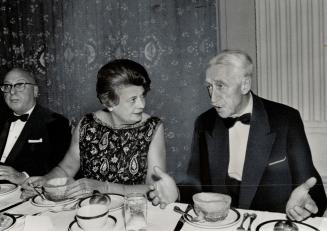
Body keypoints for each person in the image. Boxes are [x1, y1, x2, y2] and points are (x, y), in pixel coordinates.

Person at [149, 50, 327, 221]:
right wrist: (178, 193)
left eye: (220, 86)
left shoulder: (285, 119)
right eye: (209, 87)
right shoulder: (204, 122)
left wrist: (305, 205)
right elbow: (196, 184)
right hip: (221, 224)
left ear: (245, 85)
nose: (213, 99)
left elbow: (312, 189)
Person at [22, 59, 170, 201]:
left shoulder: (152, 128)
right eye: (133, 99)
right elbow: (66, 169)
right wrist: (45, 180)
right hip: (91, 210)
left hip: (132, 212)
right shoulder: (87, 124)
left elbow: (154, 188)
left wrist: (104, 187)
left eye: (143, 95)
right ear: (109, 101)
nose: (141, 105)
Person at [0, 68, 71, 185]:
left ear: (35, 91)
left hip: (26, 191)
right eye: (7, 86)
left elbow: (60, 166)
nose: (12, 92)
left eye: (19, 85)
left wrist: (23, 176)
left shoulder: (56, 123)